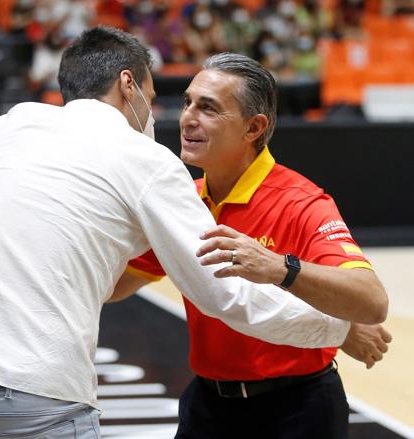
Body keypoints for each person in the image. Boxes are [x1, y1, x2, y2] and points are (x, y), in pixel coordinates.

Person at [0, 28, 359, 439]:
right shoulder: (153, 166)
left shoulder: (13, 125)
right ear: (129, 85)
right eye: (167, 99)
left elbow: (73, 243)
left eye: (206, 108)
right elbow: (230, 299)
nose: (177, 119)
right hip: (31, 399)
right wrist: (339, 327)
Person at [114, 52, 391, 438]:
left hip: (298, 410)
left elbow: (372, 300)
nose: (188, 118)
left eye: (208, 108)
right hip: (207, 406)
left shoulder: (301, 201)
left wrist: (281, 268)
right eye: (188, 102)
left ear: (253, 128)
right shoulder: (183, 201)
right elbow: (115, 286)